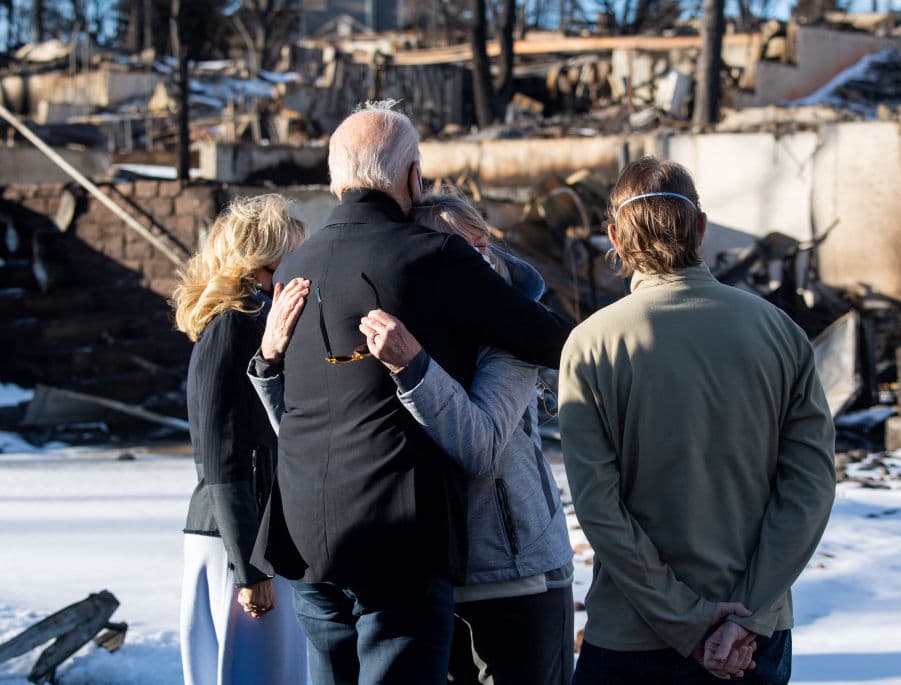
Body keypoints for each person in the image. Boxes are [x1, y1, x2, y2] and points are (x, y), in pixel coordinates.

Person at [249, 102, 572, 685]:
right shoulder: (430, 257)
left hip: (302, 532)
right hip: (395, 531)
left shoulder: (296, 265)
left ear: (334, 177)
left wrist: (266, 361)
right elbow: (551, 339)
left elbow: (306, 412)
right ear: (413, 177)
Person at [558, 157, 836, 684]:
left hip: (634, 635)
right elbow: (811, 489)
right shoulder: (780, 333)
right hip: (754, 640)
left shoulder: (591, 345)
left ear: (614, 237)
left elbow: (599, 508)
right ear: (702, 228)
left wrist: (686, 619)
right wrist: (747, 613)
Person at [172, 194, 309, 685]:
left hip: (251, 537)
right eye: (291, 250)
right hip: (238, 539)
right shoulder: (233, 327)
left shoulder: (252, 320)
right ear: (266, 257)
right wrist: (250, 567)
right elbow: (220, 455)